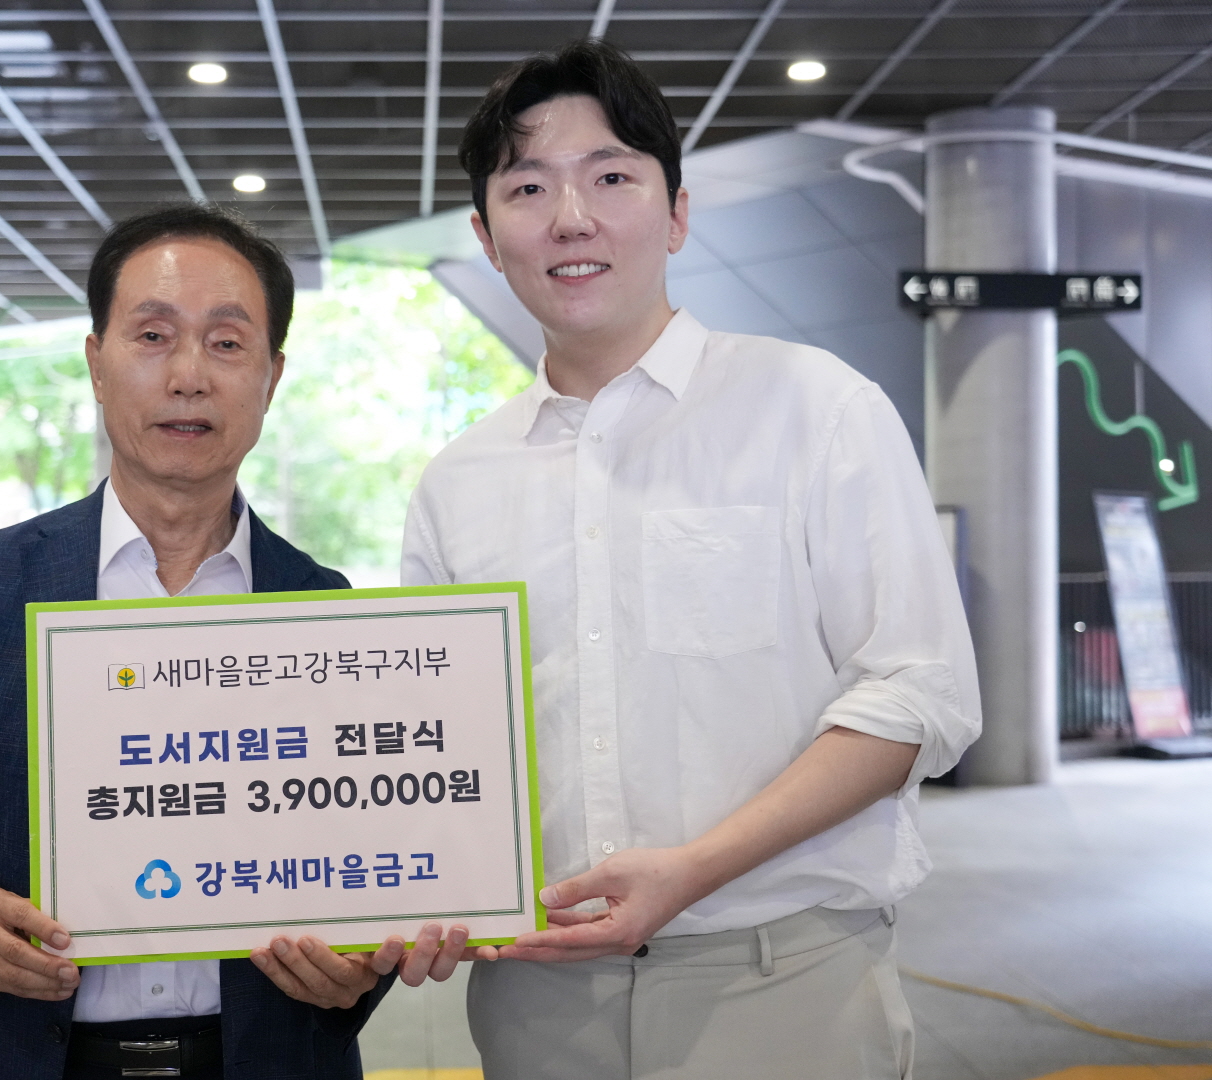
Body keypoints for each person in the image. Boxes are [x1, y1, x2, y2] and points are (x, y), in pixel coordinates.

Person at [401, 40, 982, 1080]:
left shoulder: (816, 408)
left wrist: (696, 869)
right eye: (528, 188)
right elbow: (441, 746)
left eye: (610, 177)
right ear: (487, 237)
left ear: (675, 212)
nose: (571, 218)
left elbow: (919, 692)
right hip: (537, 1003)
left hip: (781, 986)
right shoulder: (458, 481)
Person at [0, 205, 465, 1080]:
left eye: (227, 343)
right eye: (152, 336)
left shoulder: (322, 612)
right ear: (97, 364)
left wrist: (356, 970)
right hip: (12, 1054)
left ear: (272, 376)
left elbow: (360, 873)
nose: (188, 376)